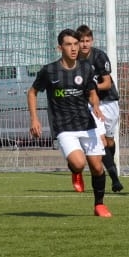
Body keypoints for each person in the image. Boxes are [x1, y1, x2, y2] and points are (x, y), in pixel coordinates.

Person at [29, 29, 110, 217]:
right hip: (63, 126)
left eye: (75, 44)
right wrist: (34, 118)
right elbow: (32, 92)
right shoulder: (49, 71)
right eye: (68, 45)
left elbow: (92, 92)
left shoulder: (86, 68)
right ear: (60, 48)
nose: (74, 48)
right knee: (79, 163)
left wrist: (95, 105)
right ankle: (75, 170)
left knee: (97, 167)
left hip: (86, 122)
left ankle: (99, 205)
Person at [77, 24, 124, 193]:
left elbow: (107, 83)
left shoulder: (99, 56)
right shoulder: (75, 60)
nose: (84, 44)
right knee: (101, 140)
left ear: (92, 41)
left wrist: (90, 87)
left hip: (109, 101)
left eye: (87, 41)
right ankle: (115, 179)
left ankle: (111, 166)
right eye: (81, 41)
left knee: (109, 141)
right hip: (92, 104)